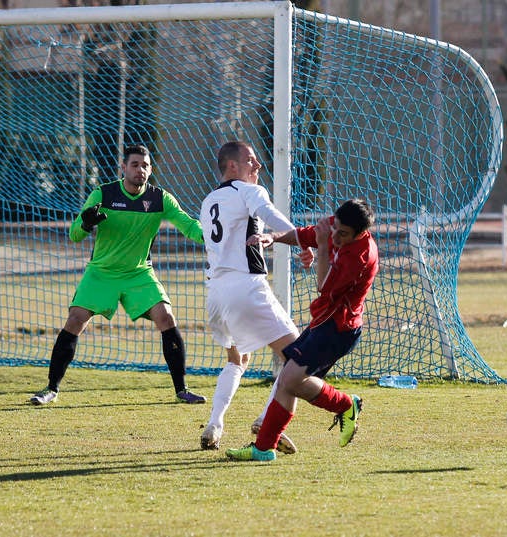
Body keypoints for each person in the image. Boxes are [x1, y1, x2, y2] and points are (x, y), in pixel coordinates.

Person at [29, 144, 207, 405]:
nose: (140, 170)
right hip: (101, 272)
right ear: (123, 168)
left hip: (138, 273)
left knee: (166, 317)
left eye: (145, 165)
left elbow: (188, 225)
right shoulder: (103, 194)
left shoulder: (160, 199)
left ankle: (182, 390)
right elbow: (74, 234)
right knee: (76, 319)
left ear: (150, 169)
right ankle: (51, 389)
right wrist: (87, 223)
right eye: (134, 165)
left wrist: (211, 236)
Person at [226, 198, 379, 462]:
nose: (336, 237)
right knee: (289, 380)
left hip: (339, 330)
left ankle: (345, 404)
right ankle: (263, 450)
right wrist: (272, 237)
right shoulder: (338, 225)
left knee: (290, 380)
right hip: (324, 323)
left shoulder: (361, 256)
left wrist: (321, 247)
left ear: (360, 234)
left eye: (343, 235)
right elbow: (305, 234)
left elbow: (324, 285)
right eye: (335, 229)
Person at [198, 141, 308, 454]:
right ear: (232, 166)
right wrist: (303, 241)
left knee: (237, 360)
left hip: (216, 293)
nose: (257, 165)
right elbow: (269, 214)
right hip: (245, 287)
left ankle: (215, 424)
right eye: (251, 160)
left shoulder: (209, 202)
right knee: (299, 357)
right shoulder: (248, 191)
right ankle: (265, 421)